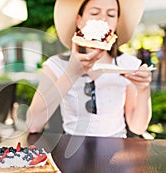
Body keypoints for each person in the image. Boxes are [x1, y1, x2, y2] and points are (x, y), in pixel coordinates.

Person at [26, 0, 152, 138]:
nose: (103, 19)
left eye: (111, 15)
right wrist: (71, 73)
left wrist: (143, 90)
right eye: (94, 13)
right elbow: (33, 124)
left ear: (117, 23)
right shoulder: (56, 65)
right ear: (79, 21)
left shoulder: (129, 64)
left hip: (117, 148)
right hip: (71, 149)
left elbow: (138, 127)